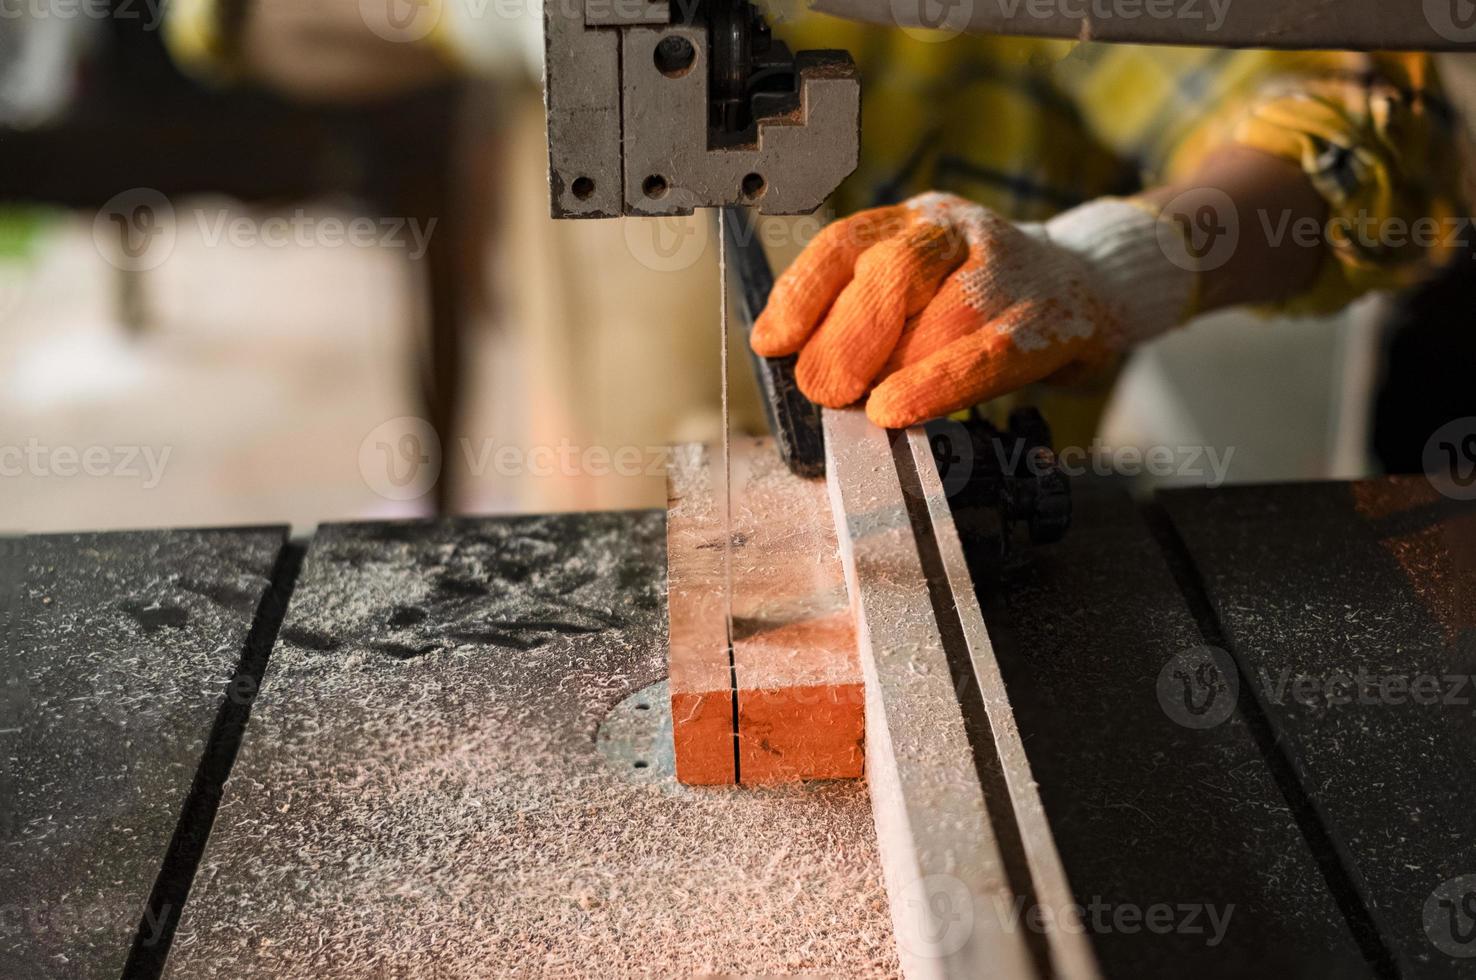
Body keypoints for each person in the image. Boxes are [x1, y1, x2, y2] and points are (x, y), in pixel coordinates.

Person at [162, 1, 1465, 450]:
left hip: (982, 530)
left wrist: (1123, 261)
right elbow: (236, 21)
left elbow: (1346, 127)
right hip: (601, 464)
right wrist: (480, 13)